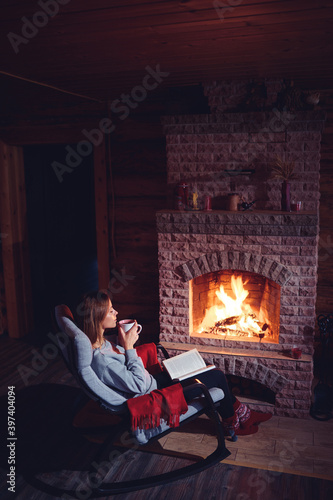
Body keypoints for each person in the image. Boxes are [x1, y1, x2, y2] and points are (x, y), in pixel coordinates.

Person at [76, 290, 271, 439]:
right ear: (98, 317)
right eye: (110, 310)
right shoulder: (102, 361)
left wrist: (124, 344)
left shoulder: (102, 342)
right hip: (154, 397)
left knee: (204, 366)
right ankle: (234, 421)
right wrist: (128, 347)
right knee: (217, 376)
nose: (116, 312)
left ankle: (241, 414)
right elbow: (139, 386)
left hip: (152, 382)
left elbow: (129, 372)